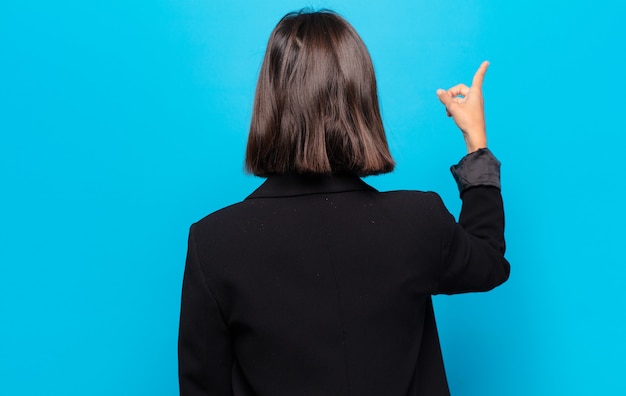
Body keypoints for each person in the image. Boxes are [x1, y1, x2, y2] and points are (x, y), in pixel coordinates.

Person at [178, 9, 510, 396]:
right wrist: (477, 145)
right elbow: (488, 262)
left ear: (271, 103)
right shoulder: (418, 221)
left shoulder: (214, 243)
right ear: (361, 101)